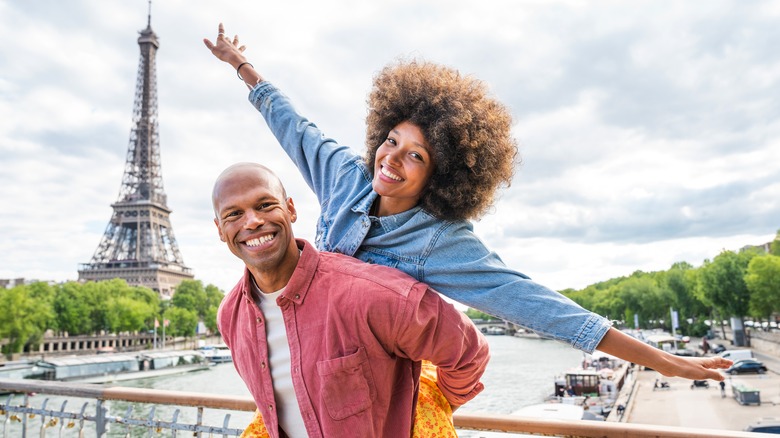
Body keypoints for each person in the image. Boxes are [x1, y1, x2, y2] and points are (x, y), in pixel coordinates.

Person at [204, 23, 732, 435]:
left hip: (383, 381)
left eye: (416, 156)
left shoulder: (441, 241)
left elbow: (542, 307)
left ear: (442, 175)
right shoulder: (345, 175)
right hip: (327, 366)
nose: (392, 160)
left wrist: (666, 361)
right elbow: (294, 126)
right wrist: (241, 66)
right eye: (391, 141)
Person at [213, 163, 489, 437]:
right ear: (220, 230)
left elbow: (469, 354)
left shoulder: (371, 293)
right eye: (234, 214)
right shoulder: (231, 317)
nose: (252, 221)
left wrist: (429, 409)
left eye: (265, 205)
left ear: (291, 209)